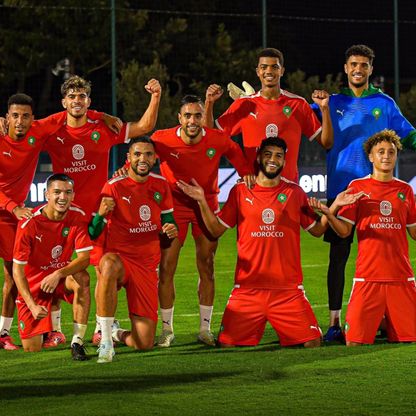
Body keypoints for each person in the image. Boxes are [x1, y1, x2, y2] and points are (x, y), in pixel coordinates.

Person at [177, 137, 337, 348]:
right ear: (260, 156)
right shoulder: (240, 191)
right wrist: (201, 201)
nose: (273, 160)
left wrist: (331, 209)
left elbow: (317, 230)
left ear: (284, 161)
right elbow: (215, 230)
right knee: (227, 345)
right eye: (268, 154)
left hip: (287, 290)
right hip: (247, 289)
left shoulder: (294, 192)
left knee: (312, 343)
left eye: (279, 156)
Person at [43, 74, 162, 346]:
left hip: (97, 215)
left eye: (82, 97)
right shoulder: (53, 129)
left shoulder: (104, 128)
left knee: (100, 270)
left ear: (88, 101)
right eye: (71, 97)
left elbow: (145, 125)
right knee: (50, 264)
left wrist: (155, 96)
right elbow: (22, 130)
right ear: (64, 101)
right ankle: (54, 329)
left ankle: (101, 327)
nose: (77, 101)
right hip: (63, 214)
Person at [310, 44, 416, 341]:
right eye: (353, 64)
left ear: (371, 69)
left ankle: (386, 317)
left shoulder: (385, 103)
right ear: (345, 68)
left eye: (364, 65)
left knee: (387, 252)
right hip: (342, 188)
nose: (358, 69)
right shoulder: (332, 102)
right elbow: (296, 119)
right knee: (339, 255)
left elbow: (410, 136)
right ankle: (334, 323)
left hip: (381, 191)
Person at [144, 95, 253, 347]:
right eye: (188, 116)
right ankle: (167, 330)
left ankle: (205, 329)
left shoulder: (216, 138)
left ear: (203, 118)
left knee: (207, 265)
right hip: (174, 208)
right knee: (166, 268)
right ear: (179, 118)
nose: (193, 121)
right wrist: (127, 166)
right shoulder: (162, 138)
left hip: (206, 204)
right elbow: (144, 156)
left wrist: (246, 172)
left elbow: (237, 154)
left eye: (197, 116)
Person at [90, 137, 177, 363]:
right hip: (120, 260)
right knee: (108, 264)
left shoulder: (161, 185)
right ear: (128, 158)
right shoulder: (113, 186)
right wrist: (100, 214)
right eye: (137, 154)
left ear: (155, 158)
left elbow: (169, 222)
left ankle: (116, 333)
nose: (142, 159)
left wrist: (170, 229)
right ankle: (106, 341)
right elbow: (93, 232)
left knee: (144, 343)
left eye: (148, 154)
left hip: (146, 266)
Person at [0, 94, 69, 350]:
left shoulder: (37, 131)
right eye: (15, 115)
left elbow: (72, 110)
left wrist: (102, 117)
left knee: (14, 275)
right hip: (8, 211)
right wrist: (13, 206)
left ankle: (3, 333)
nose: (20, 121)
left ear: (32, 118)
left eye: (25, 116)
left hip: (10, 217)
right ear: (7, 117)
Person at [204, 47, 333, 182]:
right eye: (264, 67)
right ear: (258, 71)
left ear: (282, 71)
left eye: (274, 67)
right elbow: (209, 135)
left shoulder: (298, 104)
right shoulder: (244, 104)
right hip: (254, 188)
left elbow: (327, 143)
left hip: (288, 189)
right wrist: (209, 103)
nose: (269, 71)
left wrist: (324, 109)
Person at [12, 174, 92, 359]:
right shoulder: (29, 223)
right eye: (57, 192)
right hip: (34, 286)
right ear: (46, 194)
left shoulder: (77, 216)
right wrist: (32, 306)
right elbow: (17, 271)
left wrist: (58, 274)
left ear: (73, 195)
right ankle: (51, 331)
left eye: (67, 192)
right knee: (32, 348)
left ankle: (77, 342)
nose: (62, 197)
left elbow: (84, 259)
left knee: (83, 278)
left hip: (59, 277)